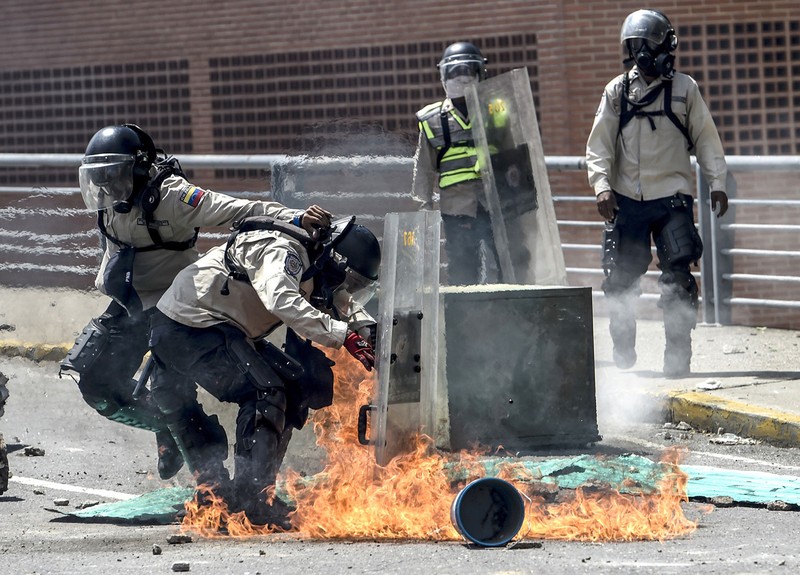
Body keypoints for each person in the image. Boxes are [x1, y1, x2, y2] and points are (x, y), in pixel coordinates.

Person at [60, 124, 332, 480]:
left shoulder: (172, 196)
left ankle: (210, 473)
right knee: (95, 384)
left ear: (140, 168)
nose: (107, 184)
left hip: (173, 306)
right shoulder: (109, 201)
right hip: (129, 305)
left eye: (115, 174)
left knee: (170, 392)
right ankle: (166, 429)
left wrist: (294, 218)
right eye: (100, 176)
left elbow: (239, 209)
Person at [148, 215, 380, 528]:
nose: (347, 289)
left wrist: (369, 330)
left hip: (218, 327)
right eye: (350, 280)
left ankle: (257, 491)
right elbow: (281, 299)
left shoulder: (315, 263)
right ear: (336, 262)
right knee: (265, 390)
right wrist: (345, 336)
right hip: (187, 326)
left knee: (293, 383)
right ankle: (250, 501)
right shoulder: (285, 252)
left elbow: (342, 300)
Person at [586, 9, 729, 378]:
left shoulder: (685, 89)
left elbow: (707, 140)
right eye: (636, 48)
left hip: (672, 200)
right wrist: (601, 186)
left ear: (666, 48)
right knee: (620, 281)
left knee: (678, 279)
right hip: (627, 201)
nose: (642, 55)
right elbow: (598, 146)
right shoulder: (616, 92)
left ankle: (677, 361)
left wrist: (718, 183)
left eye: (648, 46)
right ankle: (623, 347)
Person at [411, 41, 500, 286]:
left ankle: (508, 319)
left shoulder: (496, 110)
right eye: (456, 75)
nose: (462, 81)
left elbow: (517, 153)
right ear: (444, 78)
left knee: (506, 267)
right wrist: (424, 212)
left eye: (468, 74)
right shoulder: (433, 119)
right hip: (457, 208)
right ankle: (464, 322)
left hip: (498, 204)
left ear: (480, 74)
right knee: (463, 271)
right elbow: (424, 170)